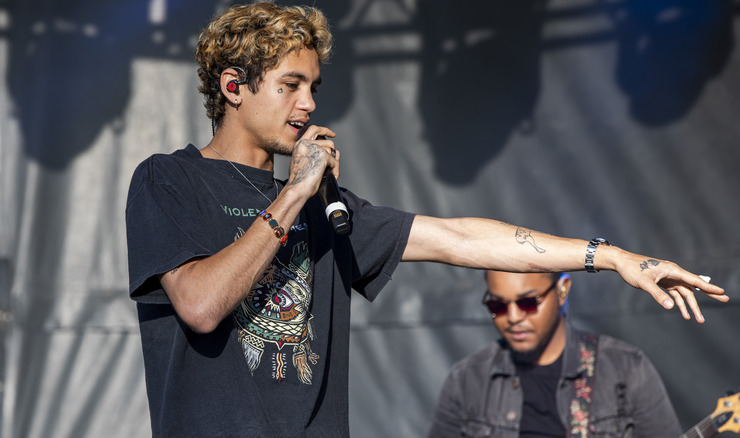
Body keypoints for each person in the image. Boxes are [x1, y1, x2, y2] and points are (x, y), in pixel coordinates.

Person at [124, 3, 726, 436]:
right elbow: (200, 306)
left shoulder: (324, 207)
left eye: (314, 86)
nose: (309, 104)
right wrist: (294, 194)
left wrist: (614, 256)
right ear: (234, 86)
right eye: (291, 85)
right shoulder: (167, 180)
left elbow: (461, 237)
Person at [428, 271, 682, 437]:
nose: (514, 317)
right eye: (498, 305)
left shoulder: (626, 369)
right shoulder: (467, 378)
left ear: (562, 290)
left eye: (528, 302)